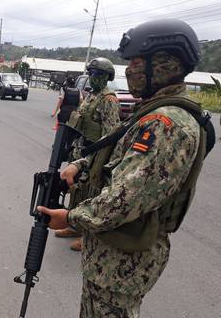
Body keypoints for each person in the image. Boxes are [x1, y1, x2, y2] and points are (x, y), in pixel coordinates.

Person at [38, 19, 211, 317]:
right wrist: (81, 165)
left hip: (123, 261)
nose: (129, 70)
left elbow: (125, 199)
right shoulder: (153, 111)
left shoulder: (167, 123)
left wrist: (71, 217)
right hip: (112, 253)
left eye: (135, 62)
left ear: (164, 64)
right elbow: (116, 149)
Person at [55, 57, 120, 252]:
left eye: (98, 74)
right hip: (81, 149)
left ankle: (89, 237)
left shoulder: (109, 100)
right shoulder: (92, 96)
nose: (93, 77)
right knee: (76, 189)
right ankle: (75, 225)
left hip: (96, 153)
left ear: (107, 77)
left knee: (93, 194)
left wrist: (101, 159)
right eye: (91, 73)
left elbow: (111, 134)